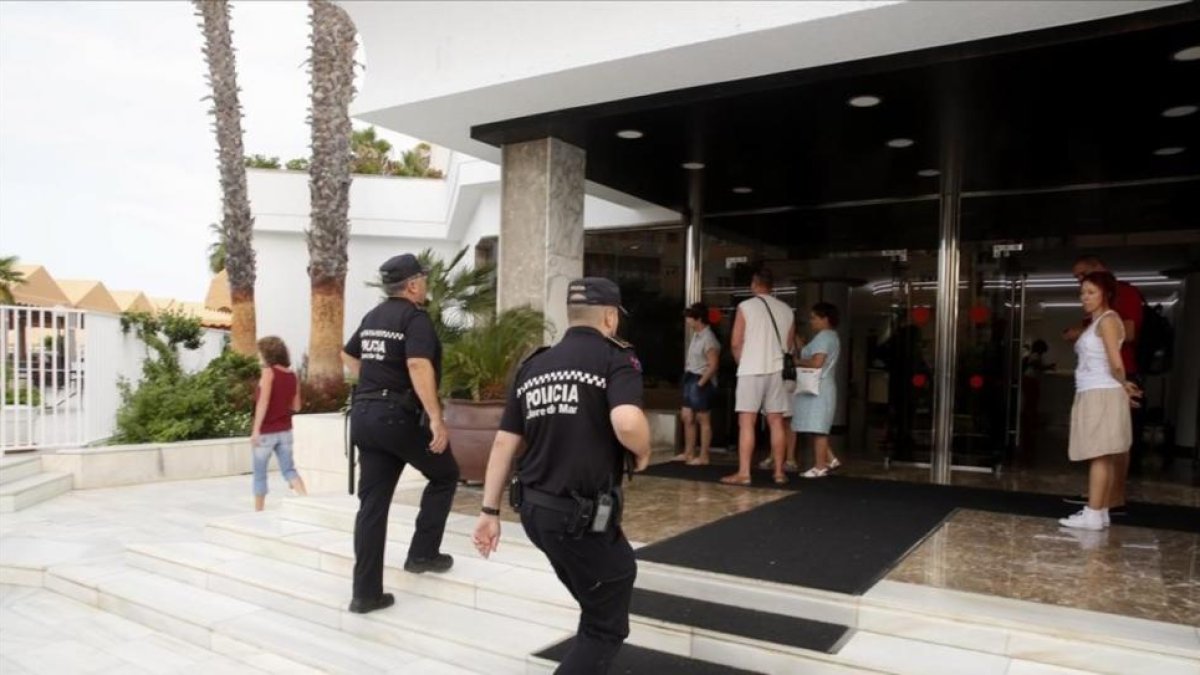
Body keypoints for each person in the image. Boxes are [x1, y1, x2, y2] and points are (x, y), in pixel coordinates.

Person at [472, 277, 652, 674]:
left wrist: (489, 511)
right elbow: (626, 420)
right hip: (579, 519)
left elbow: (504, 444)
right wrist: (643, 450)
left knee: (597, 598)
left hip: (537, 513)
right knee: (607, 621)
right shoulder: (616, 357)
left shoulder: (533, 366)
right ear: (610, 316)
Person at [342, 253, 460, 615]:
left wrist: (376, 379)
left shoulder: (373, 317)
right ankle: (422, 553)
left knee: (372, 506)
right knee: (446, 473)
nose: (425, 283)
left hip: (365, 415)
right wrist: (436, 418)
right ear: (411, 285)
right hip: (397, 416)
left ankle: (366, 594)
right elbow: (417, 363)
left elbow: (349, 357)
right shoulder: (414, 318)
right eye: (422, 279)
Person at [1059, 271, 1141, 530]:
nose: (1085, 297)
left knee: (1098, 455)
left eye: (1091, 292)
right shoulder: (1099, 321)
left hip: (1100, 392)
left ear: (1105, 294)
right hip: (1096, 390)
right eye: (1083, 292)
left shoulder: (1107, 321)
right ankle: (1100, 511)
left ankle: (1093, 513)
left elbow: (1115, 363)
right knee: (1102, 455)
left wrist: (1123, 385)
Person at [722, 268, 794, 486]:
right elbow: (789, 345)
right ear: (771, 286)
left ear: (754, 284)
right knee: (776, 421)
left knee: (747, 422)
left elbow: (735, 342)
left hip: (750, 369)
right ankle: (779, 472)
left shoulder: (746, 307)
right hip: (776, 370)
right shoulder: (786, 309)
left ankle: (744, 473)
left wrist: (742, 361)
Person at [250, 336, 306, 511]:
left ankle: (258, 512)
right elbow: (296, 406)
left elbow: (263, 402)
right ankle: (306, 502)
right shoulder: (292, 375)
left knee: (260, 474)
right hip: (285, 431)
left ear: (267, 354)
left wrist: (256, 429)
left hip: (267, 431)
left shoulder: (269, 372)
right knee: (289, 470)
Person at [793, 303, 843, 478]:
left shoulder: (823, 337)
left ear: (825, 319)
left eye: (814, 317)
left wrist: (797, 362)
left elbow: (817, 363)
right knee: (817, 426)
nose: (811, 321)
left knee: (819, 429)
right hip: (825, 386)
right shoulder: (831, 337)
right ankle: (830, 459)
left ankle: (820, 466)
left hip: (819, 387)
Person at [675, 302, 720, 466]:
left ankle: (704, 455)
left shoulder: (709, 338)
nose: (687, 321)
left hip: (701, 379)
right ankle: (688, 452)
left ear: (698, 319)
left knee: (703, 418)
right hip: (690, 377)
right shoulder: (696, 335)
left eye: (689, 318)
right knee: (687, 417)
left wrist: (701, 383)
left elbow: (713, 364)